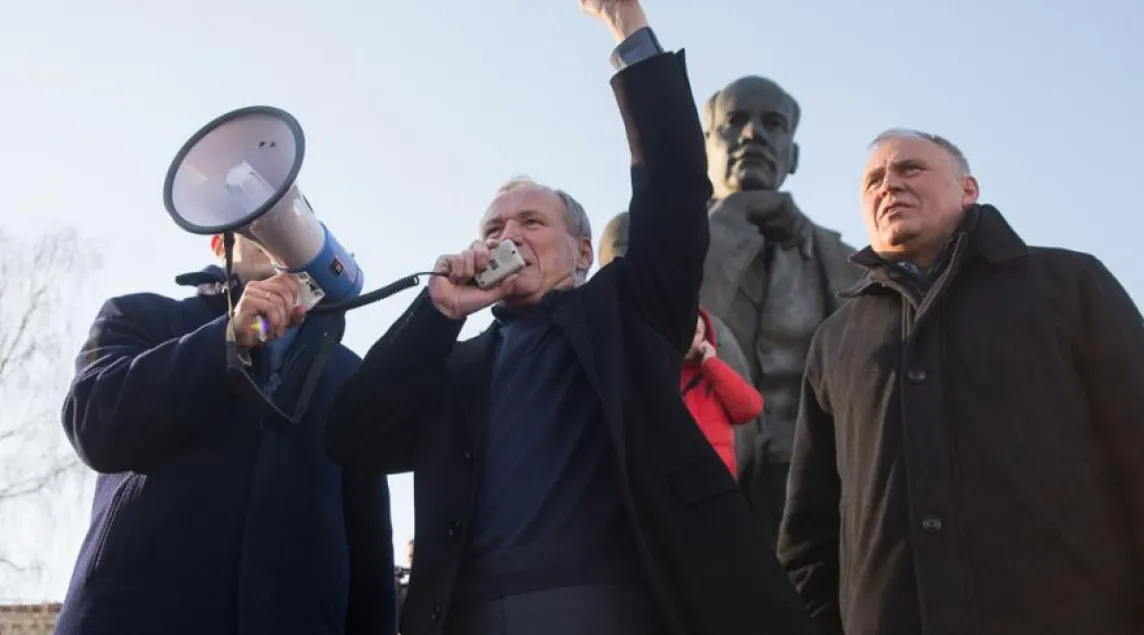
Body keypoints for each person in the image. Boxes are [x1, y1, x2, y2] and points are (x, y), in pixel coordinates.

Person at [324, 2, 821, 635]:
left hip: (614, 604)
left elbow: (673, 184)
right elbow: (353, 438)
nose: (509, 235)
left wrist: (626, 26)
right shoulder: (457, 366)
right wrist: (435, 313)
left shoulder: (630, 314)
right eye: (494, 227)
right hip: (470, 613)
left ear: (585, 252)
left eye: (532, 222)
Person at [777, 128, 1144, 635]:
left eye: (910, 168)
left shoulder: (1069, 286)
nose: (887, 185)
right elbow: (810, 538)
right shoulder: (835, 341)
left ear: (968, 190)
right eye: (872, 180)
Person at [54, 233, 396, 635]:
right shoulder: (139, 316)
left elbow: (369, 556)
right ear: (220, 245)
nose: (278, 230)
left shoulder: (347, 376)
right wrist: (228, 340)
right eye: (259, 225)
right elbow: (92, 422)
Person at [698, 75, 862, 542]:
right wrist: (727, 223)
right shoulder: (646, 243)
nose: (754, 135)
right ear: (706, 143)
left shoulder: (849, 267)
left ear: (793, 155)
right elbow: (663, 335)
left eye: (773, 124)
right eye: (735, 122)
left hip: (818, 509)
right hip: (700, 501)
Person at [599, 209, 757, 433]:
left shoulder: (709, 332)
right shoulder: (588, 329)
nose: (630, 260)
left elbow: (747, 414)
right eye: (622, 249)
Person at [680, 308, 763, 476]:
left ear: (705, 338)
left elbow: (750, 408)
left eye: (696, 333)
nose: (689, 339)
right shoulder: (659, 374)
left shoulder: (715, 375)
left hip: (716, 480)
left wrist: (712, 365)